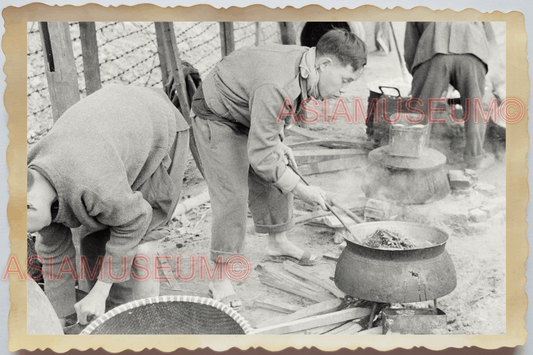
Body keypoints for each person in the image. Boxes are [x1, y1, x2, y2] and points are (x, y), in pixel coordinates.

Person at [190, 29, 367, 309]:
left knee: (283, 168)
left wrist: (278, 141)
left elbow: (277, 115)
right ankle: (220, 279)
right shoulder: (278, 83)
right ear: (324, 65)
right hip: (217, 117)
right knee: (233, 196)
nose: (342, 90)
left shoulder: (305, 64)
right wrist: (303, 190)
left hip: (247, 112)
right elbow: (261, 155)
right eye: (344, 80)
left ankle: (278, 242)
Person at [27, 85, 189, 325]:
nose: (29, 234)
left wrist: (100, 292)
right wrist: (60, 322)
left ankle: (149, 329)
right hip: (111, 142)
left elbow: (135, 220)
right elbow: (54, 253)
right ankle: (115, 318)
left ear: (29, 207)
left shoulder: (91, 184)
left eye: (27, 229)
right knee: (95, 248)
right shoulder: (29, 183)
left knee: (141, 250)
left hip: (159, 131)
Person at [404, 22, 504, 170]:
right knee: (474, 110)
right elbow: (491, 43)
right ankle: (474, 160)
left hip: (433, 51)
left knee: (421, 111)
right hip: (472, 51)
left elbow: (411, 48)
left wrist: (421, 82)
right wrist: (498, 84)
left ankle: (413, 160)